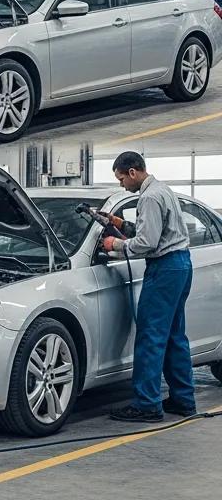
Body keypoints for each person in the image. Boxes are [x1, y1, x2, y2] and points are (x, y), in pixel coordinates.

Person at [100, 151, 196, 422]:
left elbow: (147, 243)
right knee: (175, 336)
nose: (121, 185)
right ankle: (183, 400)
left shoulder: (150, 197)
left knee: (150, 336)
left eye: (121, 179)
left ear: (132, 172)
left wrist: (114, 244)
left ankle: (147, 405)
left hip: (164, 268)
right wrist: (118, 224)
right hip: (179, 265)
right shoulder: (162, 189)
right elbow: (151, 231)